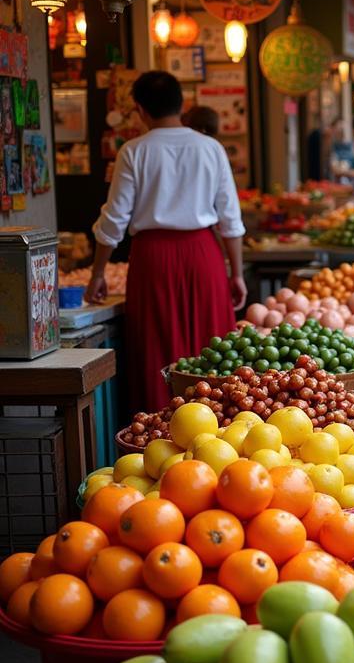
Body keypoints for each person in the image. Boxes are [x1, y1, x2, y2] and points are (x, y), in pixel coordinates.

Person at [85, 71, 245, 413]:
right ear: (182, 104)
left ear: (140, 109)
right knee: (211, 350)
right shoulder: (211, 148)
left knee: (157, 345)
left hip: (152, 258)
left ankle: (158, 430)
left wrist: (98, 272)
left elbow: (114, 219)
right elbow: (230, 218)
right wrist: (237, 273)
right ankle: (220, 428)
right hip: (204, 255)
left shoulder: (133, 152)